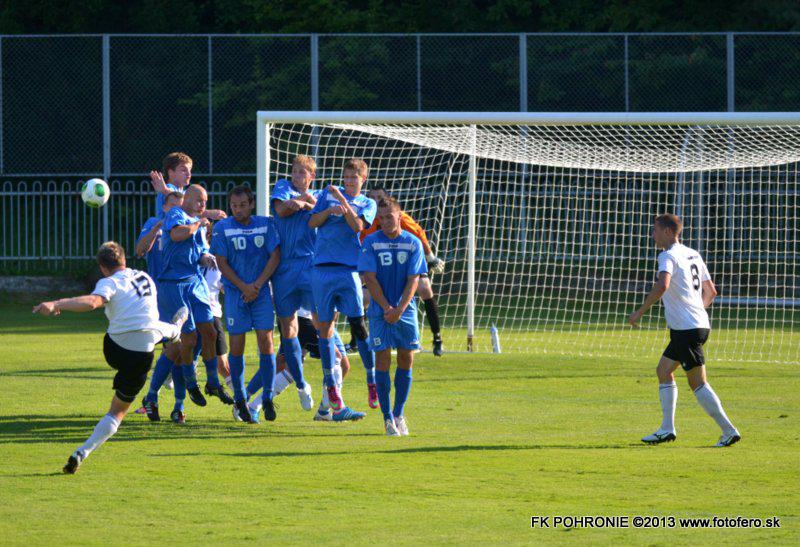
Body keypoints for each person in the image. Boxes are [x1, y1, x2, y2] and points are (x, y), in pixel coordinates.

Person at [33, 242, 188, 473]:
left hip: (115, 349)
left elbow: (93, 302)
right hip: (143, 353)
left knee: (149, 331)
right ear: (124, 260)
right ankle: (83, 451)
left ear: (102, 267)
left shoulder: (109, 282)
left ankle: (173, 333)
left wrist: (57, 303)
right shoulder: (145, 277)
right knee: (117, 412)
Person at [629, 213, 741, 447]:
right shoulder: (693, 254)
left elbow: (663, 284)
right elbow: (711, 291)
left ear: (668, 232)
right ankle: (667, 429)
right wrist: (696, 312)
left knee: (698, 383)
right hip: (695, 325)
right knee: (663, 371)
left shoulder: (667, 255)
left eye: (655, 230)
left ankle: (728, 430)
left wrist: (640, 311)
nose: (653, 235)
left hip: (686, 329)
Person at [144, 184, 233, 422]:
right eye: (200, 200)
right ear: (187, 199)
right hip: (173, 285)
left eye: (205, 201)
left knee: (209, 333)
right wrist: (198, 223)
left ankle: (211, 383)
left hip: (195, 283)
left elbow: (199, 252)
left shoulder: (199, 224)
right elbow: (177, 235)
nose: (203, 205)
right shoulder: (177, 214)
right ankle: (174, 393)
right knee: (184, 343)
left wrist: (206, 258)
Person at [308, 158, 378, 420]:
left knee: (358, 325)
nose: (348, 182)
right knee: (325, 328)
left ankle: (372, 380)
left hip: (349, 270)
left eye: (354, 178)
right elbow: (312, 222)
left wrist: (344, 204)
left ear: (363, 179)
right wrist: (330, 209)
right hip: (322, 269)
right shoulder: (328, 195)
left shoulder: (367, 203)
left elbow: (357, 226)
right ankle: (331, 387)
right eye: (346, 177)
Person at [211, 185, 284, 423]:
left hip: (260, 293)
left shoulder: (265, 224)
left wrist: (258, 285)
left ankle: (268, 396)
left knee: (266, 340)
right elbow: (221, 262)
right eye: (234, 205)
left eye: (243, 205)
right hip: (236, 294)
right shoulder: (222, 227)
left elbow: (275, 255)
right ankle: (241, 398)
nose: (238, 209)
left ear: (251, 204)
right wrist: (244, 287)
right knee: (237, 346)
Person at [358, 197, 427, 436]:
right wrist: (388, 308)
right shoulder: (370, 242)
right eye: (381, 218)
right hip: (380, 312)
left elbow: (413, 280)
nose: (386, 221)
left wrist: (399, 309)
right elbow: (369, 278)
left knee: (407, 358)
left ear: (400, 216)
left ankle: (399, 414)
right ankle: (387, 417)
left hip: (405, 311)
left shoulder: (413, 242)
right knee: (383, 360)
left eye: (390, 216)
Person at [359, 187, 445, 356]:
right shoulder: (368, 220)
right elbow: (361, 243)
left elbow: (419, 234)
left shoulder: (401, 219)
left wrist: (431, 258)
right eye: (372, 197)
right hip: (381, 273)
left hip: (406, 269)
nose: (376, 201)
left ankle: (437, 337)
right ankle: (359, 339)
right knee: (361, 296)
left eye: (379, 197)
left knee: (425, 287)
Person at [269, 155, 321, 410]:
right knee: (288, 327)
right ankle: (301, 384)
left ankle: (332, 392)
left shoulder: (319, 194)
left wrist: (303, 202)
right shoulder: (282, 187)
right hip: (284, 267)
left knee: (321, 320)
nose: (297, 176)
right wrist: (302, 202)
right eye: (295, 171)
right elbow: (281, 209)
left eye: (303, 172)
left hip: (310, 264)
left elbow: (317, 209)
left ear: (312, 176)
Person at [149, 151, 225, 220]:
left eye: (190, 170)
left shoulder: (185, 192)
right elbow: (186, 208)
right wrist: (208, 213)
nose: (189, 174)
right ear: (171, 172)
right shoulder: (168, 188)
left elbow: (192, 213)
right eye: (183, 170)